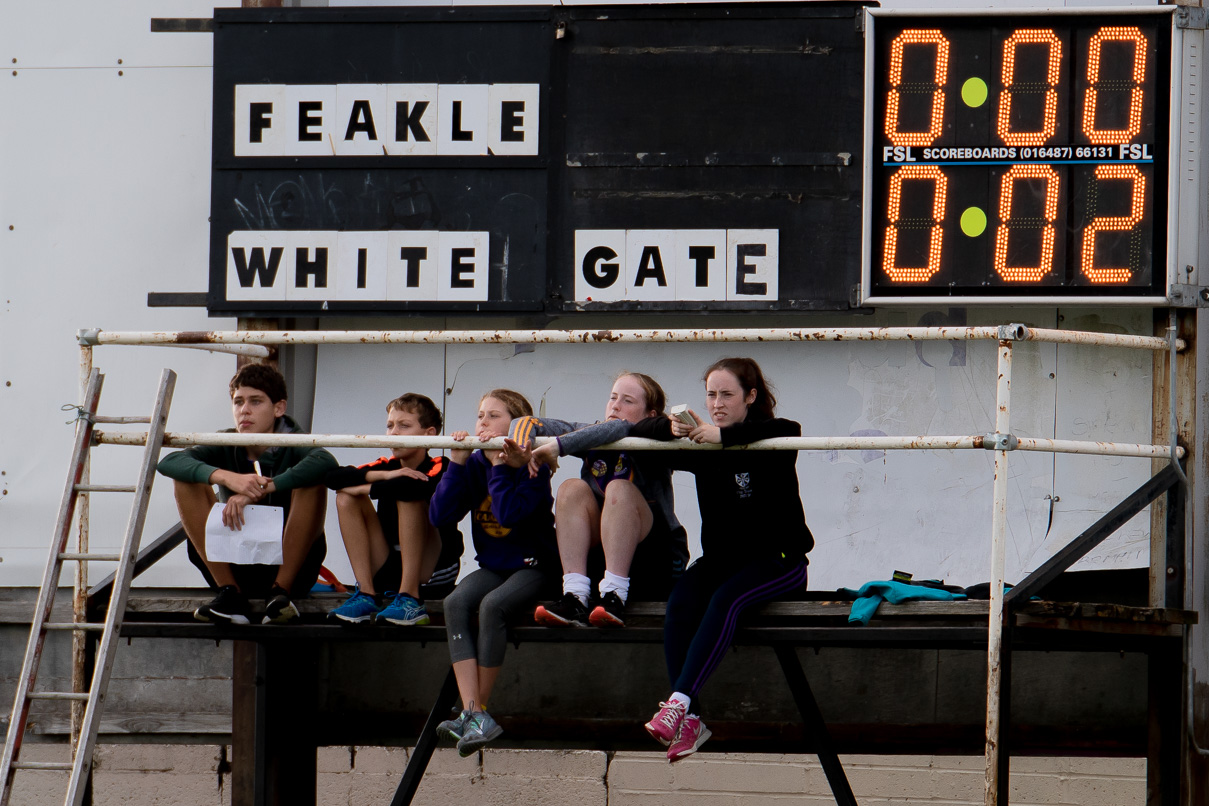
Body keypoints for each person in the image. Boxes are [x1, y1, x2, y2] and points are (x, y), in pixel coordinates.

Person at [637, 358, 811, 762]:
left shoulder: (772, 441)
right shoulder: (704, 448)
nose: (716, 403)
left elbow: (789, 430)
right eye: (711, 394)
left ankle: (678, 702)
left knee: (725, 600)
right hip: (722, 561)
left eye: (727, 394)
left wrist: (724, 436)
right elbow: (639, 434)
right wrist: (671, 427)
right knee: (681, 603)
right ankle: (693, 720)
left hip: (779, 562)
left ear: (750, 396)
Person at [157, 363, 337, 625]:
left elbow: (326, 461)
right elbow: (169, 462)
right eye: (238, 402)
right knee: (185, 480)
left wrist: (262, 488)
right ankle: (230, 595)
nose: (245, 410)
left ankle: (280, 595)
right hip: (235, 563)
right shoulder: (225, 441)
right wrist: (229, 478)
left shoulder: (295, 440)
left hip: (291, 569)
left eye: (256, 401)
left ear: (279, 408)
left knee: (313, 481)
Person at [428, 389, 557, 756]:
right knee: (455, 603)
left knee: (492, 607)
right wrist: (456, 463)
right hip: (494, 565)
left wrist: (501, 466)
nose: (482, 424)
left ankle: (476, 712)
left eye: (493, 416)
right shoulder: (473, 464)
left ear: (515, 427)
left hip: (535, 566)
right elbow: (439, 517)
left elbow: (508, 515)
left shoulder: (535, 464)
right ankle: (473, 711)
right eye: (479, 415)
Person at [511, 372, 687, 628]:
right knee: (571, 488)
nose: (615, 406)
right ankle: (575, 595)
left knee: (619, 488)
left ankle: (615, 595)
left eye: (627, 400)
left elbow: (621, 428)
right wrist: (521, 450)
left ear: (651, 414)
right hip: (599, 562)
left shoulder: (654, 436)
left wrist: (557, 447)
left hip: (653, 561)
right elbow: (526, 421)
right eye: (613, 397)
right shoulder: (592, 434)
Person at [324, 393, 462, 625]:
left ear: (429, 435)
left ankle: (410, 599)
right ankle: (367, 593)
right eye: (390, 426)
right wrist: (388, 474)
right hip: (389, 568)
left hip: (431, 572)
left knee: (408, 494)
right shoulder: (388, 466)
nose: (394, 433)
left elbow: (412, 487)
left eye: (404, 425)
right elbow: (333, 477)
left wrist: (366, 487)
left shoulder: (441, 465)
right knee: (345, 497)